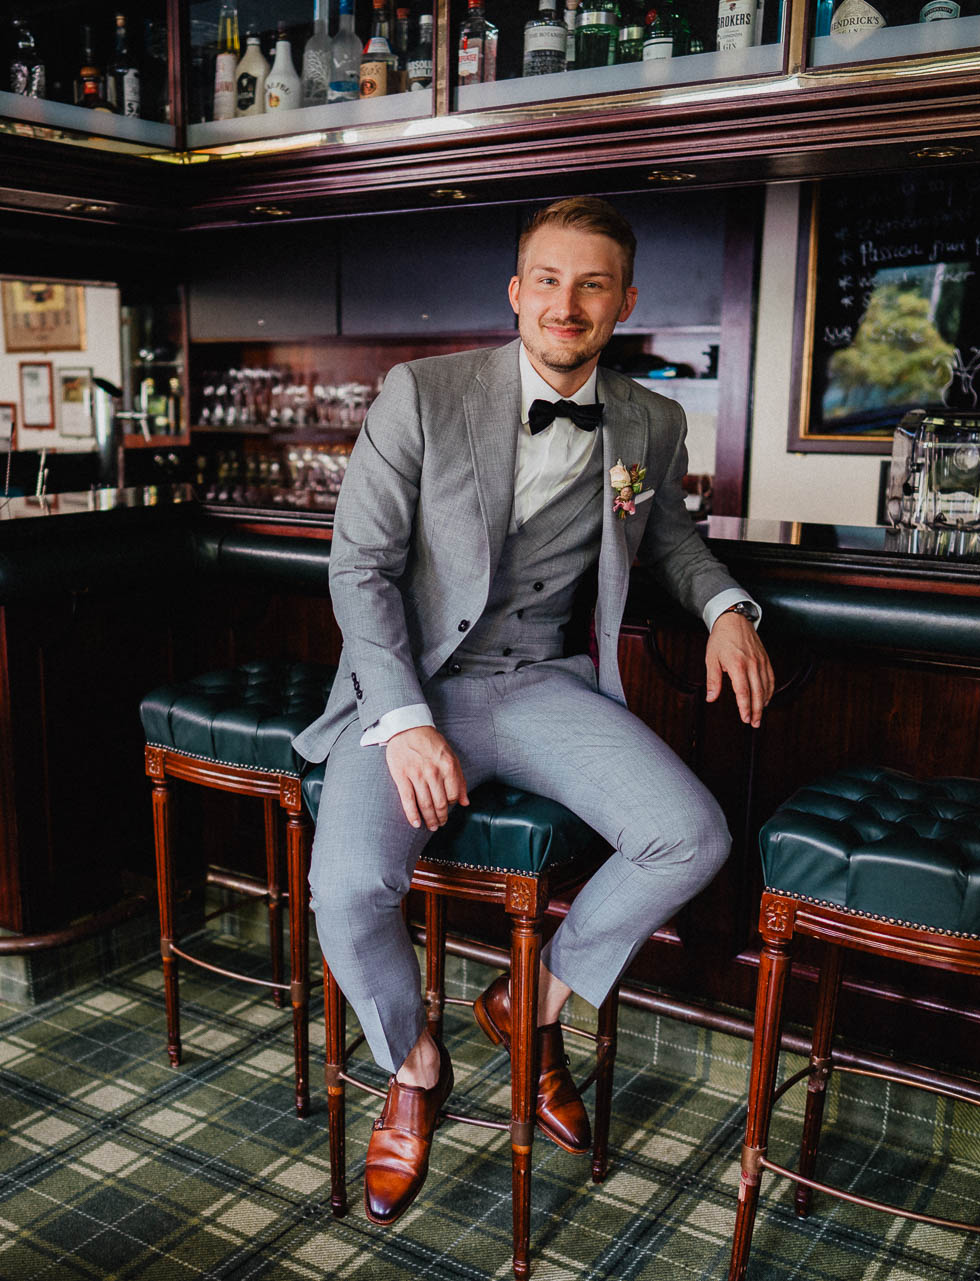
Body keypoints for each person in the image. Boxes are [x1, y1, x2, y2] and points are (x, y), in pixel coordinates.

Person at [292, 195, 774, 1223]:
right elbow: (360, 567)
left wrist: (727, 608)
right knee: (346, 890)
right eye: (549, 281)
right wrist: (406, 717)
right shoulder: (421, 392)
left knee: (691, 836)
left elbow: (671, 540)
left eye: (593, 284)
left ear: (624, 302)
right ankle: (414, 1067)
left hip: (548, 683)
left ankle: (531, 1002)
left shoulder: (651, 418)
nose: (569, 303)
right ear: (517, 293)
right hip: (414, 689)